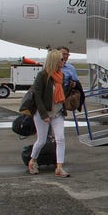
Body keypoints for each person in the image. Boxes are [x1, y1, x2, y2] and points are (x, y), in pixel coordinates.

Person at [28, 49, 70, 178]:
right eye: (61, 59)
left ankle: (59, 167)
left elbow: (60, 95)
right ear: (55, 61)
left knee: (60, 138)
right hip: (44, 113)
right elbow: (37, 96)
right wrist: (43, 114)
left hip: (57, 112)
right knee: (41, 141)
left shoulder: (60, 76)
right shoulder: (43, 76)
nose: (64, 61)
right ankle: (32, 161)